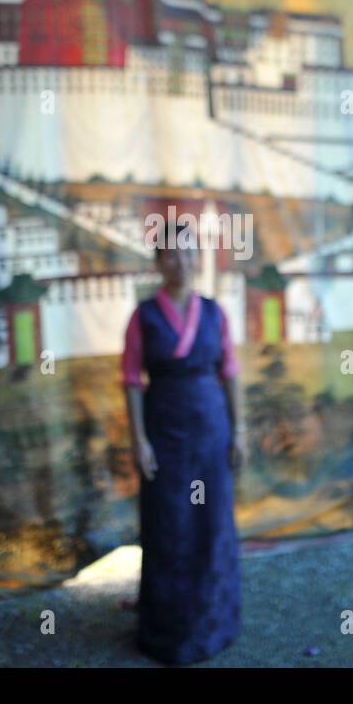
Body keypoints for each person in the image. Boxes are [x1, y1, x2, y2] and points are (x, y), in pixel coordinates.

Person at [122, 242, 247, 664]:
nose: (183, 262)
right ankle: (168, 631)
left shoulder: (215, 313)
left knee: (211, 522)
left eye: (190, 253)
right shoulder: (143, 317)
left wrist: (240, 429)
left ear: (199, 259)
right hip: (164, 432)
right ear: (159, 263)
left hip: (212, 430)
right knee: (169, 524)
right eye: (172, 254)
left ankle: (213, 624)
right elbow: (132, 381)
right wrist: (139, 439)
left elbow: (229, 372)